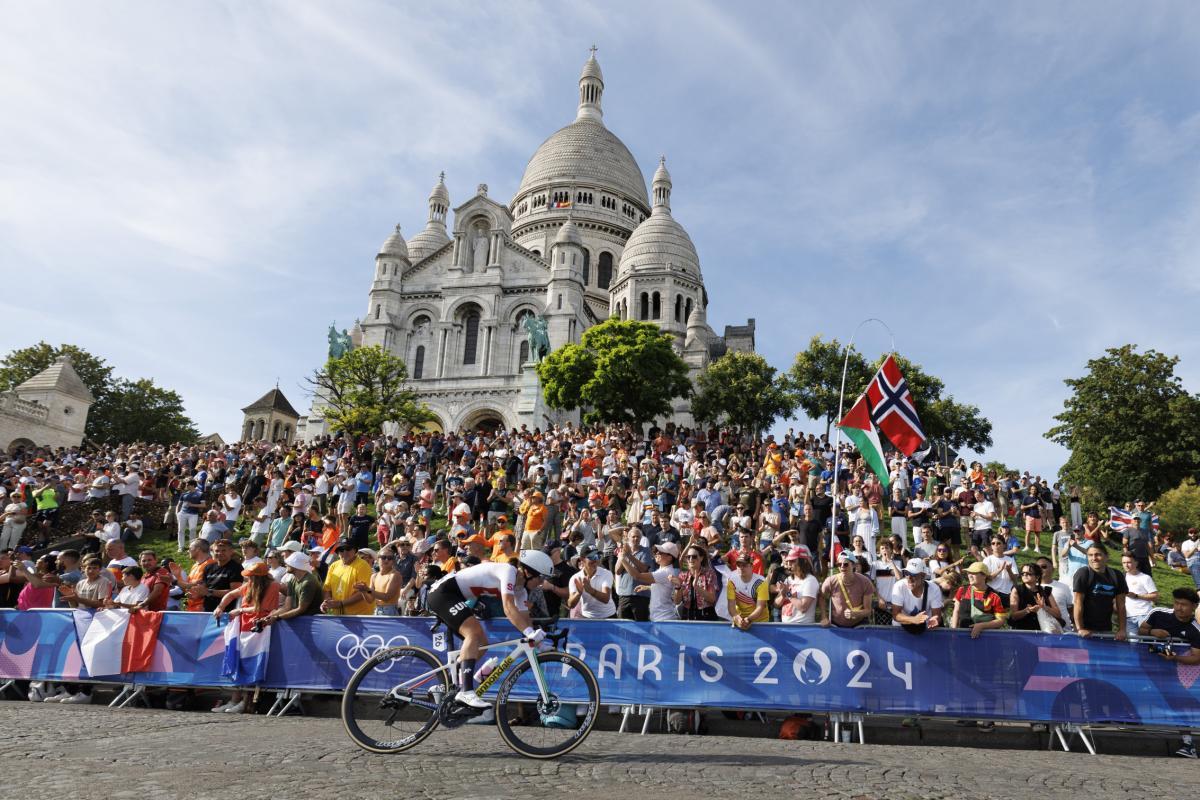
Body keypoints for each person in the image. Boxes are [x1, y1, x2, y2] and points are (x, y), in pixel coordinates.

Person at [425, 550, 553, 709]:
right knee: (473, 634)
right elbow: (508, 608)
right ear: (528, 572)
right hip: (444, 592)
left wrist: (538, 643)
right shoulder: (508, 571)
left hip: (453, 596)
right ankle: (466, 691)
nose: (541, 583)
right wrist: (530, 634)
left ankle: (448, 686)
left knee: (482, 644)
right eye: (541, 578)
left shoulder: (521, 591)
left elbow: (524, 619)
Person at [1138, 587, 1200, 757]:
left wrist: (1175, 659)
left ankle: (1188, 743)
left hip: (1172, 673)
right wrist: (1152, 632)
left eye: (1184, 605)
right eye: (1176, 603)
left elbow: (1196, 657)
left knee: (1178, 703)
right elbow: (1140, 631)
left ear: (1194, 606)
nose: (1179, 607)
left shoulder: (1195, 630)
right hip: (1141, 666)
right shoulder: (1158, 613)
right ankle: (1127, 724)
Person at [1072, 543, 1128, 640]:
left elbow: (1121, 605)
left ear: (1106, 556)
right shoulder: (1083, 573)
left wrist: (1122, 629)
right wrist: (1080, 628)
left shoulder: (1117, 575)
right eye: (1090, 555)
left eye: (1098, 554)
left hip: (1106, 630)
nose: (1094, 558)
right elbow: (1078, 602)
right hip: (1085, 630)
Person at [622, 541, 681, 621]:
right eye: (657, 551)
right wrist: (648, 587)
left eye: (660, 552)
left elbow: (637, 576)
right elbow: (664, 587)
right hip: (661, 618)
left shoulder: (664, 572)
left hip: (663, 619)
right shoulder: (663, 570)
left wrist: (622, 559)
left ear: (669, 557)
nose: (657, 553)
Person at [951, 561, 1007, 638]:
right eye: (968, 573)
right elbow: (956, 611)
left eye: (974, 573)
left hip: (986, 638)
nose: (970, 575)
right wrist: (954, 631)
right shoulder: (962, 590)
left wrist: (981, 626)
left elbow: (1001, 620)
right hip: (962, 636)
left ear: (984, 576)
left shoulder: (994, 596)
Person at [820, 551, 874, 629]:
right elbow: (821, 596)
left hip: (859, 624)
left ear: (854, 565)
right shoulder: (830, 581)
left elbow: (868, 611)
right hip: (836, 625)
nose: (842, 567)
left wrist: (856, 614)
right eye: (839, 564)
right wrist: (823, 617)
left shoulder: (865, 582)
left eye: (846, 564)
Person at [891, 558, 944, 631]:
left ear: (923, 576)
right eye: (906, 573)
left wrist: (935, 620)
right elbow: (895, 614)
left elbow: (936, 615)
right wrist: (913, 620)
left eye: (913, 574)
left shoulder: (934, 589)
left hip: (925, 629)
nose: (909, 577)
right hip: (900, 629)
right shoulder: (899, 586)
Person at [321, 540, 373, 615]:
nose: (345, 552)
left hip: (359, 616)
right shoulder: (334, 566)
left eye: (348, 549)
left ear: (355, 550)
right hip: (339, 615)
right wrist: (327, 602)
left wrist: (341, 603)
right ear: (338, 553)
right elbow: (327, 588)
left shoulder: (363, 566)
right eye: (341, 550)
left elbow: (364, 592)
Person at [1009, 562, 1063, 632]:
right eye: (1023, 573)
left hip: (1044, 631)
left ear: (1037, 577)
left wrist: (1045, 607)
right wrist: (1027, 610)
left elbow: (1058, 615)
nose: (1025, 575)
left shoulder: (1046, 591)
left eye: (1029, 573)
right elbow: (1013, 616)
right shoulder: (1016, 590)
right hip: (1022, 631)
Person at [567, 545, 616, 619]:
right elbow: (570, 605)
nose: (596, 560)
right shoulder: (575, 578)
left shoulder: (606, 573)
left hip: (609, 616)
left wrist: (590, 590)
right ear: (582, 559)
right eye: (592, 557)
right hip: (587, 617)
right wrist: (578, 593)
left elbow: (606, 599)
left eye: (598, 556)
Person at [674, 543, 719, 621]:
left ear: (701, 558)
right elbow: (677, 601)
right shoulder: (682, 575)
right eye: (688, 557)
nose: (691, 559)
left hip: (706, 616)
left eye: (694, 556)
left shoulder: (709, 574)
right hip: (687, 616)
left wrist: (697, 587)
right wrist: (678, 587)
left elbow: (712, 599)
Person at [726, 550, 769, 631]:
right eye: (738, 565)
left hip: (760, 621)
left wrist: (748, 620)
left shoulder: (761, 582)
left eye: (745, 565)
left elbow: (760, 607)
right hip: (741, 620)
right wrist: (737, 618)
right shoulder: (731, 580)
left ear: (752, 566)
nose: (741, 568)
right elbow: (731, 605)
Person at [777, 545, 819, 624]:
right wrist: (782, 596)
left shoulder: (810, 580)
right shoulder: (788, 579)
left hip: (802, 628)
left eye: (793, 561)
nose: (789, 563)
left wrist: (788, 594)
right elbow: (776, 604)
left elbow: (803, 607)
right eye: (788, 560)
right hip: (786, 626)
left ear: (802, 561)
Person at [357, 546, 403, 615]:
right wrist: (363, 591)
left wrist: (367, 589)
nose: (386, 560)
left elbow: (386, 597)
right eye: (383, 557)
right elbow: (370, 600)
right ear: (378, 559)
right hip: (377, 610)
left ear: (393, 561)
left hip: (390, 611)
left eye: (390, 558)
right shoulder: (374, 576)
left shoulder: (395, 575)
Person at [1120, 553, 1157, 638]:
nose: (1126, 565)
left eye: (1129, 562)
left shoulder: (1145, 577)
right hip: (1128, 617)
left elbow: (1155, 596)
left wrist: (1136, 596)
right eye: (1124, 563)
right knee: (1133, 644)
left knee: (1146, 642)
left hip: (1144, 615)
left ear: (1136, 563)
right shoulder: (1121, 578)